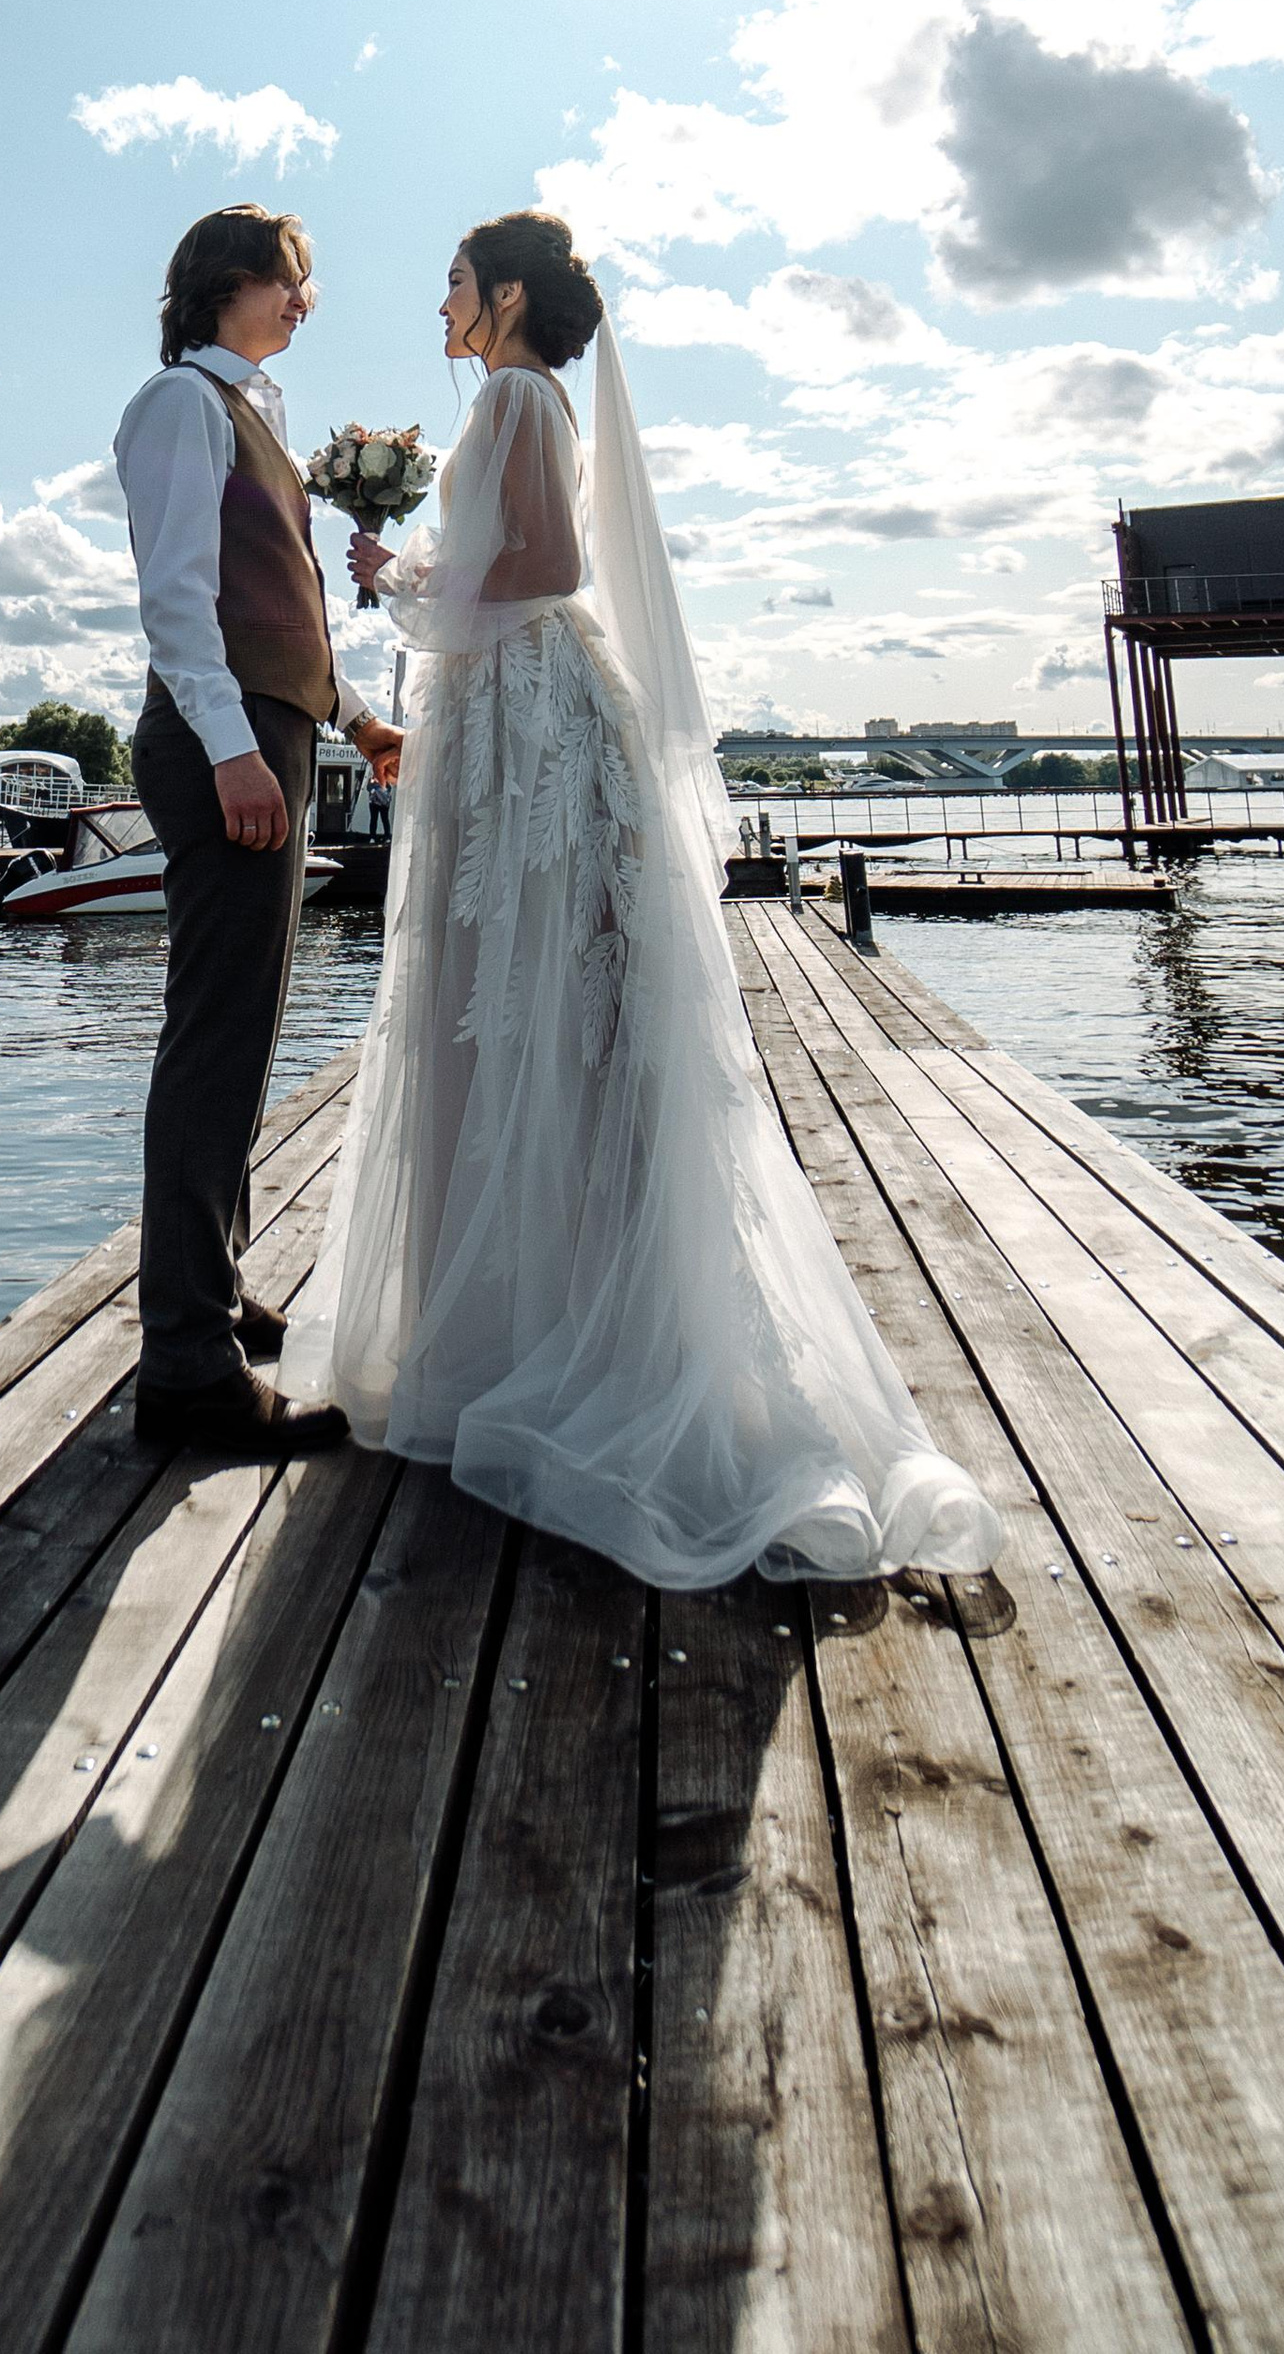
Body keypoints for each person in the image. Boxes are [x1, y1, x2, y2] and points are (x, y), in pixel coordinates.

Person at [281, 210, 1004, 1588]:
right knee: (546, 1015)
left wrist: (408, 583)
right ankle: (548, 1319)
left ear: (500, 300)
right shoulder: (536, 399)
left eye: (450, 285)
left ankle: (516, 1335)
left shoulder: (507, 395)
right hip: (535, 712)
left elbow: (543, 571)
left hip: (528, 716)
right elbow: (538, 568)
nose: (438, 305)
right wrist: (422, 590)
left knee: (504, 1012)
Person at [115, 203, 404, 1456]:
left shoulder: (259, 415)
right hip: (220, 741)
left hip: (272, 730)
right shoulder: (180, 403)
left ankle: (216, 1295)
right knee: (217, 1035)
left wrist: (353, 719)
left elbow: (276, 612)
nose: (307, 300)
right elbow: (176, 602)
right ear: (232, 282)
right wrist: (237, 752)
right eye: (295, 279)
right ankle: (184, 1370)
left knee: (246, 1027)